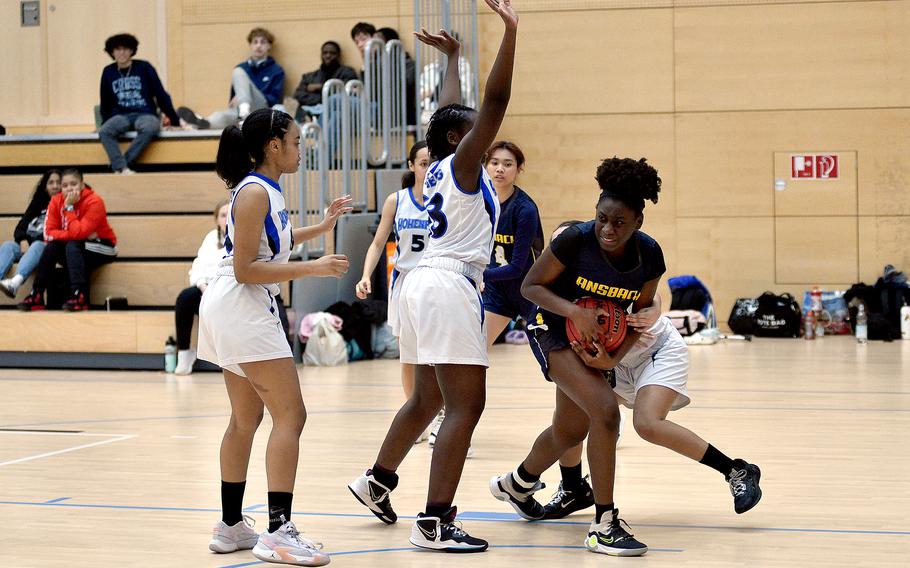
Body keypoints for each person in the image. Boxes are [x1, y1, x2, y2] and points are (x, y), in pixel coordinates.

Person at [489, 157, 763, 557]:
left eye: (619, 222)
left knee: (570, 430)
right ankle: (603, 523)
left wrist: (610, 361)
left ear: (638, 222)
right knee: (605, 413)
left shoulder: (649, 255)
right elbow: (531, 286)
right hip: (552, 328)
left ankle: (518, 482)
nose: (607, 229)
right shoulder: (574, 241)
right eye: (602, 218)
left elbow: (642, 316)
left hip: (607, 343)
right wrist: (575, 312)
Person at [347, 0, 518, 553]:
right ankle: (435, 520)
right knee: (467, 405)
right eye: (472, 132)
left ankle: (376, 480)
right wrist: (509, 34)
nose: (483, 136)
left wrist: (453, 58)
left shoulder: (442, 160)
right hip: (447, 284)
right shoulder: (464, 161)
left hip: (419, 282)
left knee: (426, 400)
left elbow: (450, 112)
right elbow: (492, 101)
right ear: (459, 141)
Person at [201, 107, 351, 566]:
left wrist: (320, 229)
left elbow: (273, 242)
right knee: (292, 416)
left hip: (234, 307)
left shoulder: (265, 190)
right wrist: (315, 266)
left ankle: (230, 527)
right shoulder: (251, 193)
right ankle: (278, 531)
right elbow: (247, 269)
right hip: (243, 304)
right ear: (272, 146)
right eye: (296, 140)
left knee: (246, 419)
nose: (300, 148)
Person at [354, 141, 430, 401]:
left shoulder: (445, 202)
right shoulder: (396, 200)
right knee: (408, 355)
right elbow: (377, 244)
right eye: (423, 164)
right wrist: (365, 275)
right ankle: (414, 412)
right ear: (411, 166)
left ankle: (439, 412)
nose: (429, 169)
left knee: (434, 352)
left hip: (435, 282)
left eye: (433, 164)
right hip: (405, 281)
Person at [18, 169, 117, 312]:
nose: (69, 188)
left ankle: (78, 295)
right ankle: (37, 295)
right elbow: (48, 234)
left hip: (104, 247)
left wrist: (69, 208)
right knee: (52, 247)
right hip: (78, 245)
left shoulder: (94, 201)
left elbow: (78, 234)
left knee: (73, 245)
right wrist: (73, 234)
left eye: (74, 184)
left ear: (82, 185)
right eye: (65, 185)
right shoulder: (55, 200)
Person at [98, 34, 181, 174]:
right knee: (104, 131)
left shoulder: (144, 67)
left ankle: (122, 164)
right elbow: (105, 101)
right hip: (121, 115)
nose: (122, 52)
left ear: (132, 50)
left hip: (145, 113)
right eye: (117, 49)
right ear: (112, 52)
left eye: (125, 49)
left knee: (150, 127)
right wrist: (105, 123)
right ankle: (122, 167)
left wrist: (175, 121)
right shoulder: (108, 71)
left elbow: (161, 94)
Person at [179, 28, 286, 130]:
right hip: (242, 110)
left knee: (238, 72)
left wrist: (245, 97)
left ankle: (244, 113)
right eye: (255, 42)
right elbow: (233, 100)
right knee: (221, 116)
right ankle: (202, 123)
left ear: (269, 46)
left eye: (262, 42)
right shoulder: (243, 68)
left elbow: (274, 99)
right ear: (250, 45)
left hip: (263, 110)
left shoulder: (276, 70)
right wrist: (237, 99)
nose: (258, 46)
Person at [173, 199, 230, 375]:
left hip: (228, 292)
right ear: (216, 219)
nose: (226, 219)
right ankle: (184, 353)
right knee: (185, 297)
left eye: (230, 214)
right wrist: (203, 286)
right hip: (207, 290)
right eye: (222, 215)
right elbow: (197, 267)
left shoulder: (241, 236)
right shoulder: (211, 238)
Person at [0, 170, 62, 298]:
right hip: (27, 245)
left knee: (38, 245)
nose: (55, 186)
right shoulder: (38, 202)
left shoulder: (64, 204)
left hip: (43, 247)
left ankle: (15, 282)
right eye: (51, 183)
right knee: (8, 246)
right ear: (45, 187)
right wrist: (22, 239)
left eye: (58, 182)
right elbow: (20, 227)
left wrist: (31, 243)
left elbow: (53, 231)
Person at [292, 41, 358, 122]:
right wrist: (322, 97)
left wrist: (320, 87)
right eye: (325, 53)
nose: (328, 56)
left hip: (332, 113)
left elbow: (348, 91)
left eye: (332, 53)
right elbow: (298, 95)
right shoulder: (309, 76)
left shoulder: (348, 72)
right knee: (281, 107)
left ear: (338, 56)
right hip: (308, 112)